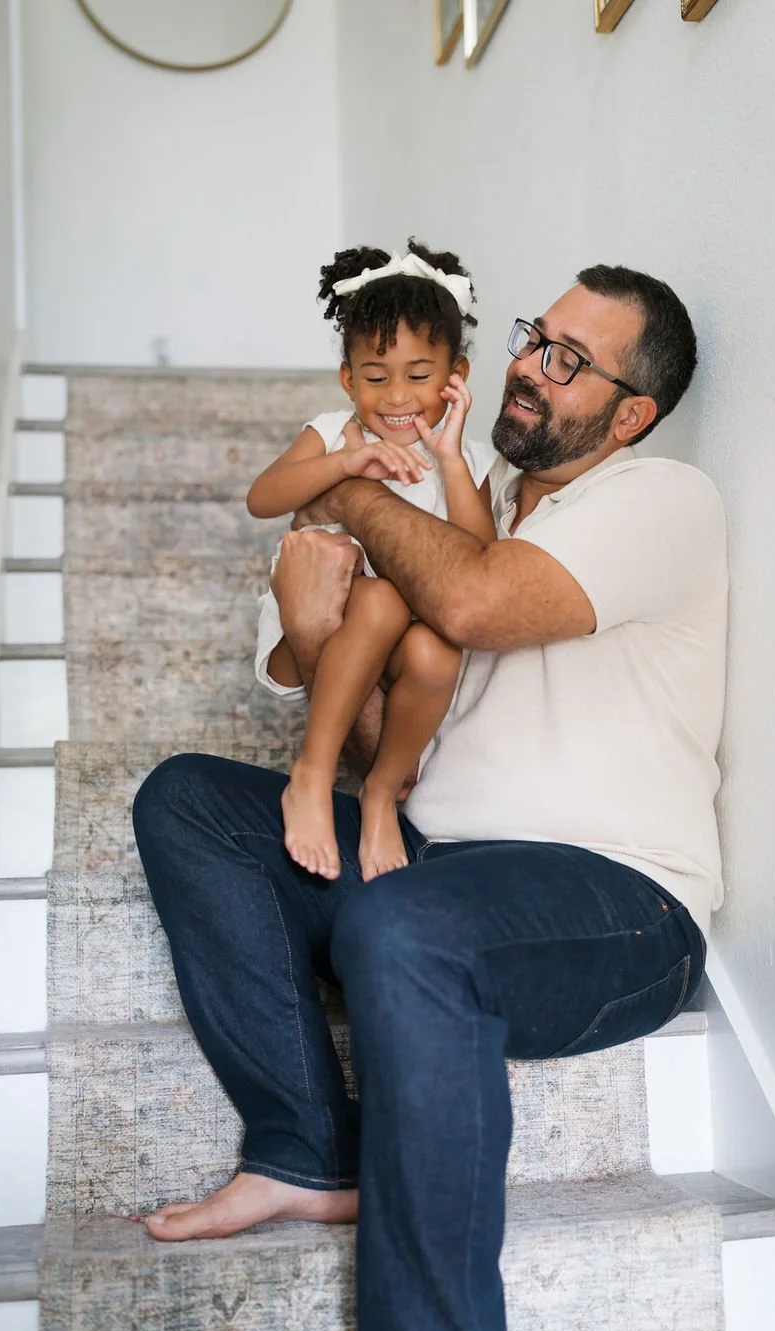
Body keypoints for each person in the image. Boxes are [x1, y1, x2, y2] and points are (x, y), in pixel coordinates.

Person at [132, 264, 728, 1331]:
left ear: (629, 415)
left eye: (571, 361)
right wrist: (303, 633)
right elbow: (343, 691)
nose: (529, 366)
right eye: (534, 340)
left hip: (612, 901)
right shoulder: (443, 490)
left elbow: (472, 598)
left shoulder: (657, 499)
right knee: (188, 800)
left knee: (406, 929)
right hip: (431, 863)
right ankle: (306, 1149)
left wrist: (346, 478)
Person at [248, 241, 496, 882]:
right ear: (348, 379)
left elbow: (481, 559)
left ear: (456, 376)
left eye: (419, 376)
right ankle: (312, 771)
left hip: (404, 659)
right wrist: (346, 464)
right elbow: (262, 497)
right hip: (322, 617)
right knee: (382, 597)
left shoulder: (468, 462)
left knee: (435, 651)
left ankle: (381, 793)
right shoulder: (334, 431)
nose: (396, 397)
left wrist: (449, 460)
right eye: (375, 376)